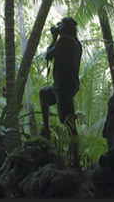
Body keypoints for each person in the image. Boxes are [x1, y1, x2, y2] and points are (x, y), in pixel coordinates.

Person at [39, 17, 82, 166]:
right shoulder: (77, 43)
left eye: (61, 25)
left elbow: (48, 55)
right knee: (44, 94)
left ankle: (76, 160)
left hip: (63, 87)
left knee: (68, 121)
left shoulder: (64, 40)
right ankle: (46, 131)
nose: (59, 28)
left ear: (66, 28)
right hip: (66, 86)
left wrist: (54, 37)